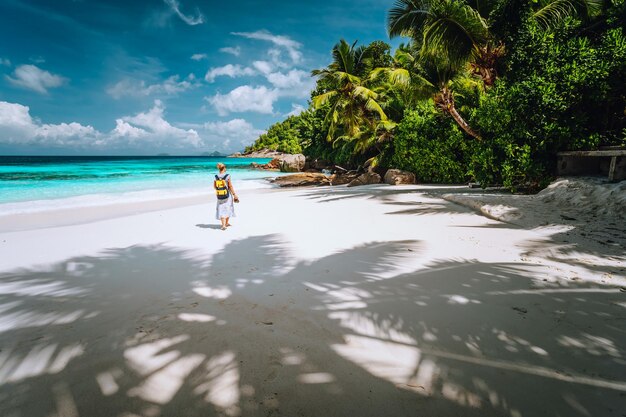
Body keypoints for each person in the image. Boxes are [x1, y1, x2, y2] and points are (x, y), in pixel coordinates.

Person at [214, 163, 239, 230]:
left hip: (219, 195)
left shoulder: (216, 176)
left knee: (221, 208)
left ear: (219, 168)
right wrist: (234, 194)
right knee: (228, 208)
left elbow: (215, 187)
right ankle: (226, 223)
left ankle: (224, 225)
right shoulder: (227, 176)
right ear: (224, 168)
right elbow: (230, 186)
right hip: (227, 195)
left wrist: (220, 191)